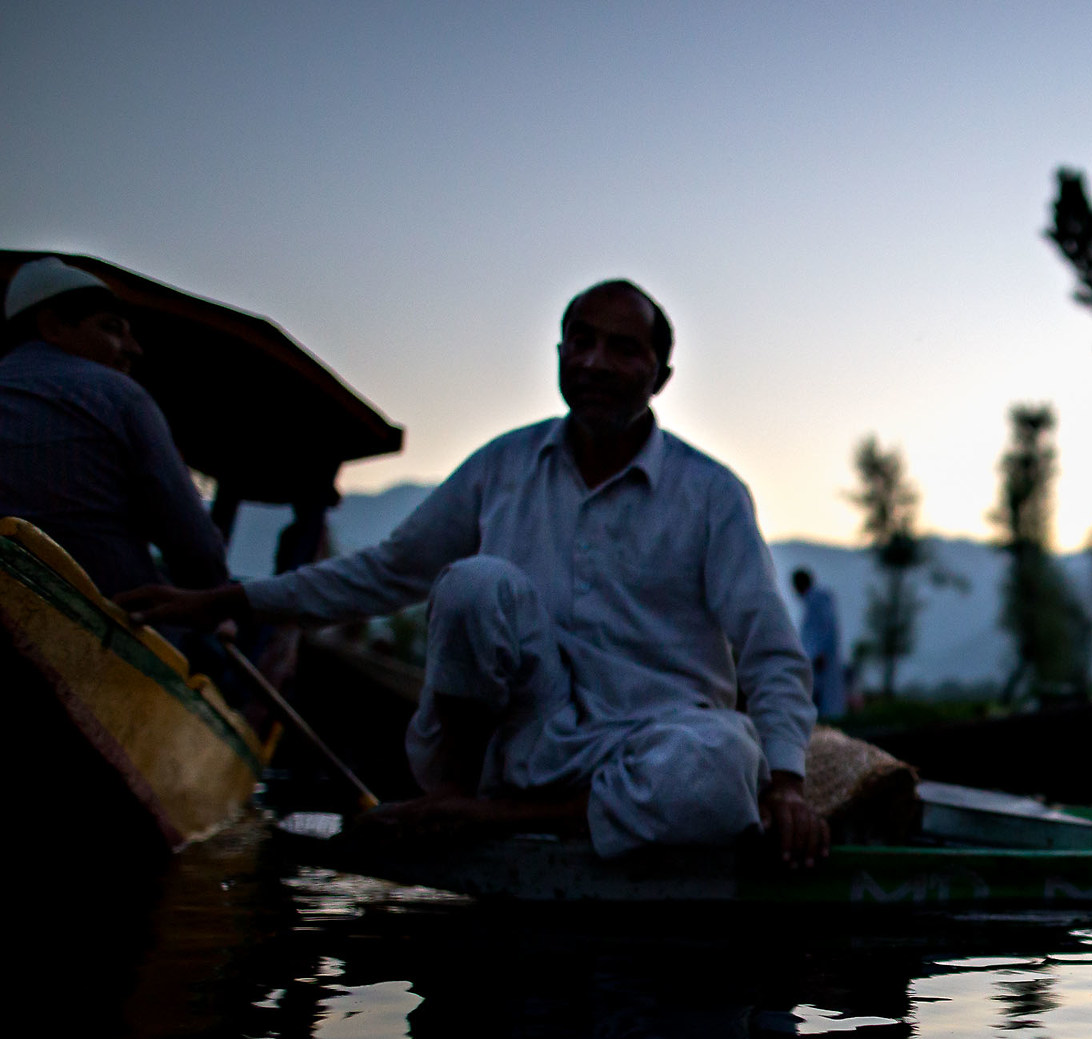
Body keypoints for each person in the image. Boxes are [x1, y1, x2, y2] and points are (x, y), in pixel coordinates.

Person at [126, 280, 828, 866]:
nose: (594, 362)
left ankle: (479, 818)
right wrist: (225, 600)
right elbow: (386, 572)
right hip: (524, 743)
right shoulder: (502, 466)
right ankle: (455, 801)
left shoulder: (711, 493)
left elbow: (769, 647)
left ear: (660, 377)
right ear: (558, 353)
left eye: (623, 348)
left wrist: (789, 786)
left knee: (722, 769)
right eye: (579, 341)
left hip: (656, 752)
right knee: (473, 583)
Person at [0, 257, 229, 600]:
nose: (133, 349)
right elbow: (198, 554)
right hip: (105, 618)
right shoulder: (116, 393)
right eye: (111, 328)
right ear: (51, 326)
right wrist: (212, 599)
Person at [789, 566, 846, 719]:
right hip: (815, 655)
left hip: (820, 657)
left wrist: (820, 652)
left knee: (823, 693)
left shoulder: (818, 600)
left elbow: (826, 627)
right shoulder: (814, 600)